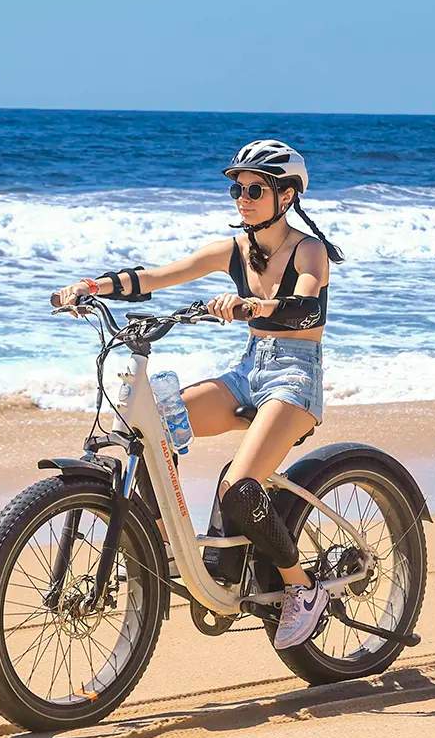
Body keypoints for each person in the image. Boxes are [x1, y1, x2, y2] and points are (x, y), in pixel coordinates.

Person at [53, 138, 344, 650]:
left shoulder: (309, 250)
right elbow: (159, 276)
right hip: (247, 371)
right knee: (152, 427)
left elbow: (308, 310)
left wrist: (254, 307)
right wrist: (92, 286)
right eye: (237, 187)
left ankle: (302, 588)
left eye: (255, 188)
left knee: (238, 488)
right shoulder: (232, 251)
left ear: (287, 195)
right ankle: (167, 542)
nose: (242, 197)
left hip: (294, 379)